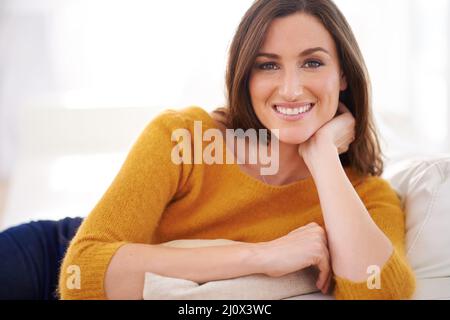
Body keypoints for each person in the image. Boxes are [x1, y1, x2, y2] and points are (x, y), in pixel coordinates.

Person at [54, 0, 415, 300]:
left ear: (344, 75)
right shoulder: (184, 138)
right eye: (268, 65)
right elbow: (79, 273)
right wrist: (263, 256)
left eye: (312, 62)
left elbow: (379, 292)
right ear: (245, 76)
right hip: (61, 248)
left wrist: (322, 158)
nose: (290, 89)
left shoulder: (367, 196)